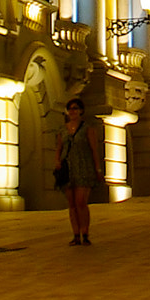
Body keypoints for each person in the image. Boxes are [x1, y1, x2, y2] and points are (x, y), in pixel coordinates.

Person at [55, 98, 99, 245]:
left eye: (75, 108)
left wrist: (97, 168)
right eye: (70, 109)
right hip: (68, 168)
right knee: (72, 203)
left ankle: (85, 232)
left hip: (83, 166)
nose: (72, 111)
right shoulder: (63, 129)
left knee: (81, 202)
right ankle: (75, 234)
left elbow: (94, 149)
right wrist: (57, 162)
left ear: (81, 111)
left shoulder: (87, 128)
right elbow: (59, 148)